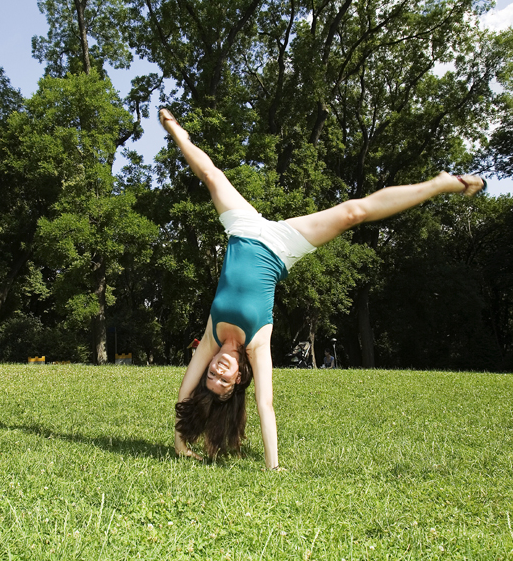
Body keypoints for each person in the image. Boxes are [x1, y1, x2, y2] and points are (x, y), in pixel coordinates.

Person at [161, 108, 486, 470]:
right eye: (224, 378)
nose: (217, 370)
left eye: (211, 373)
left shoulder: (210, 338)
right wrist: (273, 467)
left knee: (210, 174)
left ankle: (177, 131)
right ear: (238, 379)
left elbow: (184, 395)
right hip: (280, 248)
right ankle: (440, 184)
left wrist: (179, 445)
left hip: (243, 228)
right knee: (353, 213)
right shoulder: (257, 343)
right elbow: (265, 405)